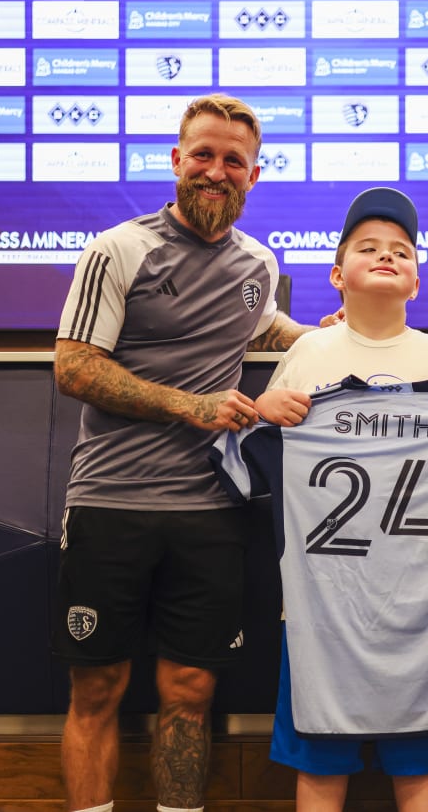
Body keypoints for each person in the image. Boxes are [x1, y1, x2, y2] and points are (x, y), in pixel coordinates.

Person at [223, 187, 428, 812]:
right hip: (322, 615)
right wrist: (260, 412)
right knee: (320, 767)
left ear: (416, 279)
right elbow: (254, 456)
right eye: (367, 247)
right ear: (336, 274)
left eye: (400, 250)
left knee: (419, 771)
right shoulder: (307, 353)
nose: (385, 256)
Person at [51, 93, 324, 812]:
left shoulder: (258, 263)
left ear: (253, 176)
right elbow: (74, 367)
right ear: (177, 161)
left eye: (233, 160)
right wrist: (191, 405)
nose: (216, 170)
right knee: (97, 689)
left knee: (191, 693)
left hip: (208, 512)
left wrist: (335, 332)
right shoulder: (119, 249)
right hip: (113, 503)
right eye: (202, 154)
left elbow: (264, 327)